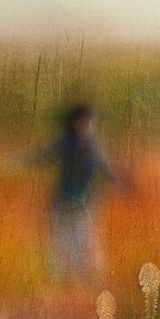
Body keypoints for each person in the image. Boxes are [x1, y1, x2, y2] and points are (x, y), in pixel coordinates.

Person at [30, 104, 119, 286]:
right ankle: (60, 283)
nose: (88, 126)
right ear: (76, 123)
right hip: (62, 204)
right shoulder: (65, 144)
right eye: (85, 122)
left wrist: (118, 183)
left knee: (82, 243)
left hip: (81, 205)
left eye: (90, 123)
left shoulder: (92, 147)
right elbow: (41, 157)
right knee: (60, 244)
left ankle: (77, 284)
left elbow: (105, 169)